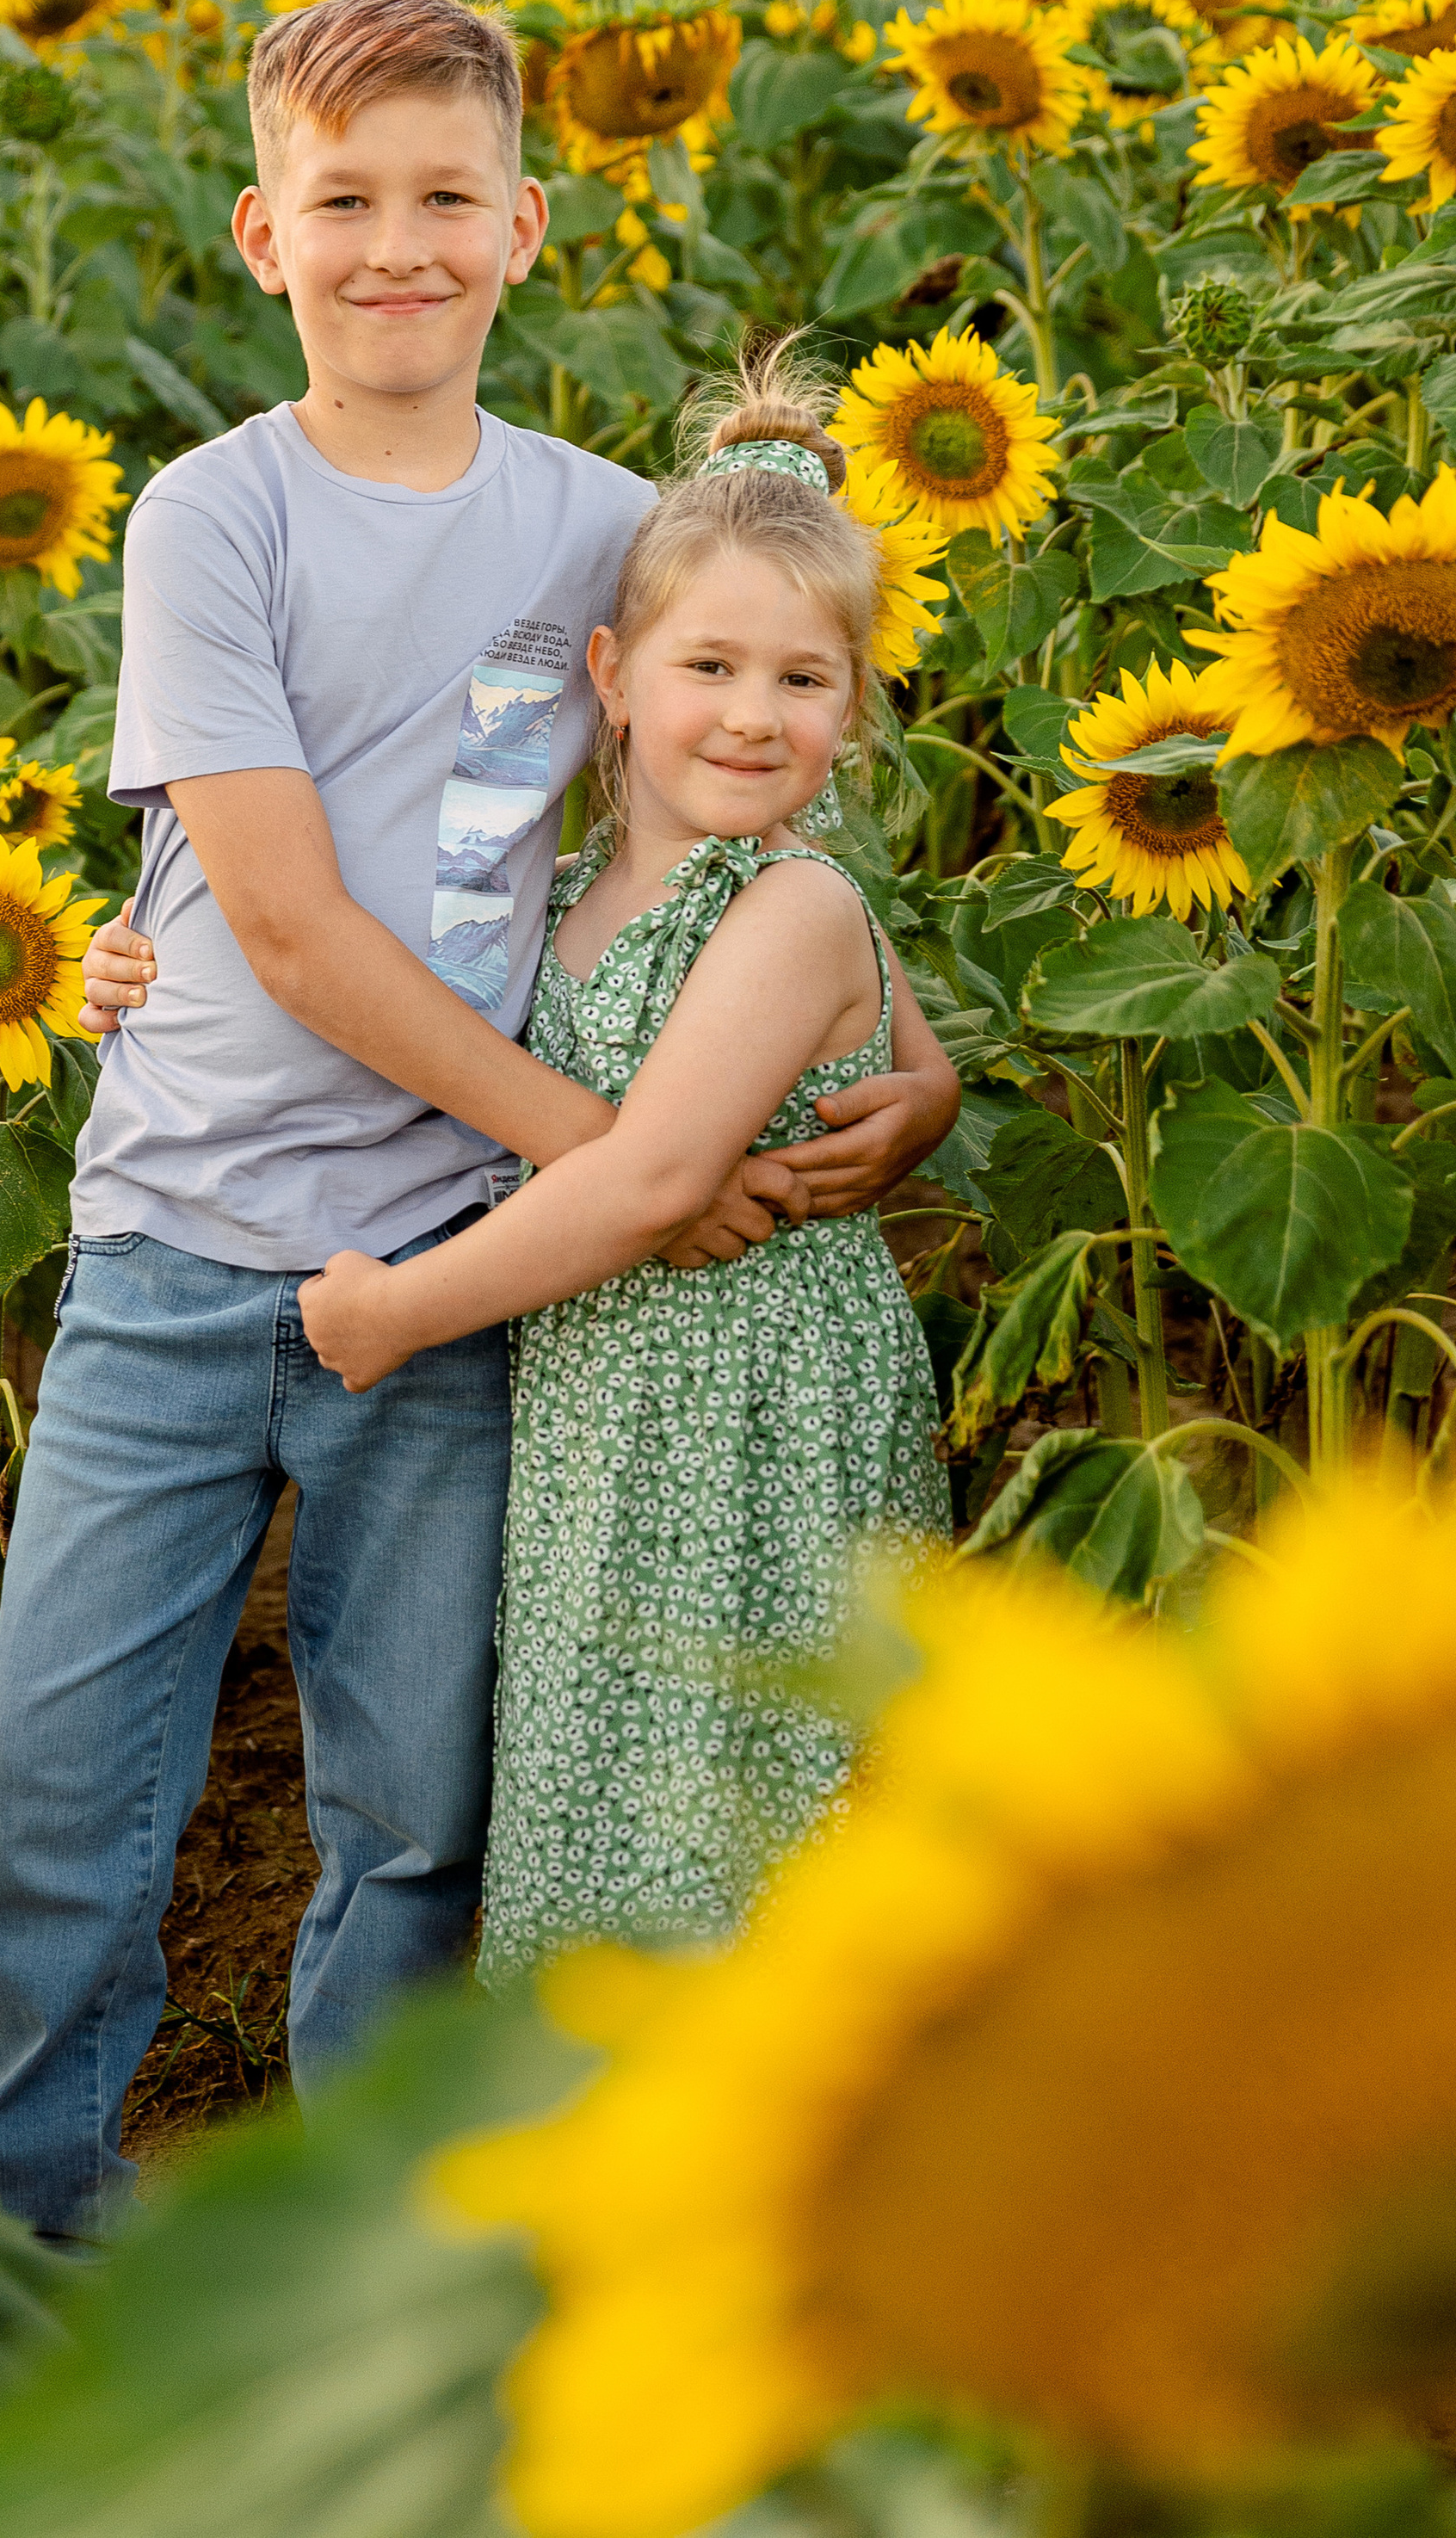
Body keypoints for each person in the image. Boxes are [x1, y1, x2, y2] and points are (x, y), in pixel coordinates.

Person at [0, 0, 957, 2239]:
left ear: (523, 229)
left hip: (455, 1263)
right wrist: (629, 1167)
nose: (393, 247)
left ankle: (365, 2257)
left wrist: (914, 1077)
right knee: (59, 1790)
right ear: (262, 235)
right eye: (343, 203)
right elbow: (286, 922)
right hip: (179, 1240)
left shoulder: (601, 536)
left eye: (442, 200)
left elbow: (744, 809)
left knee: (414, 1808)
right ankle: (25, 2229)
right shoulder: (214, 517)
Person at [298, 343, 953, 1976]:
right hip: (613, 1423)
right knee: (609, 1786)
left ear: (853, 705)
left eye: (804, 679)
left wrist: (397, 1313)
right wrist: (135, 955)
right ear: (612, 670)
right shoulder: (578, 885)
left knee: (745, 1805)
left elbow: (654, 1178)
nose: (753, 714)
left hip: (755, 1428)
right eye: (709, 664)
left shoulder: (790, 904)